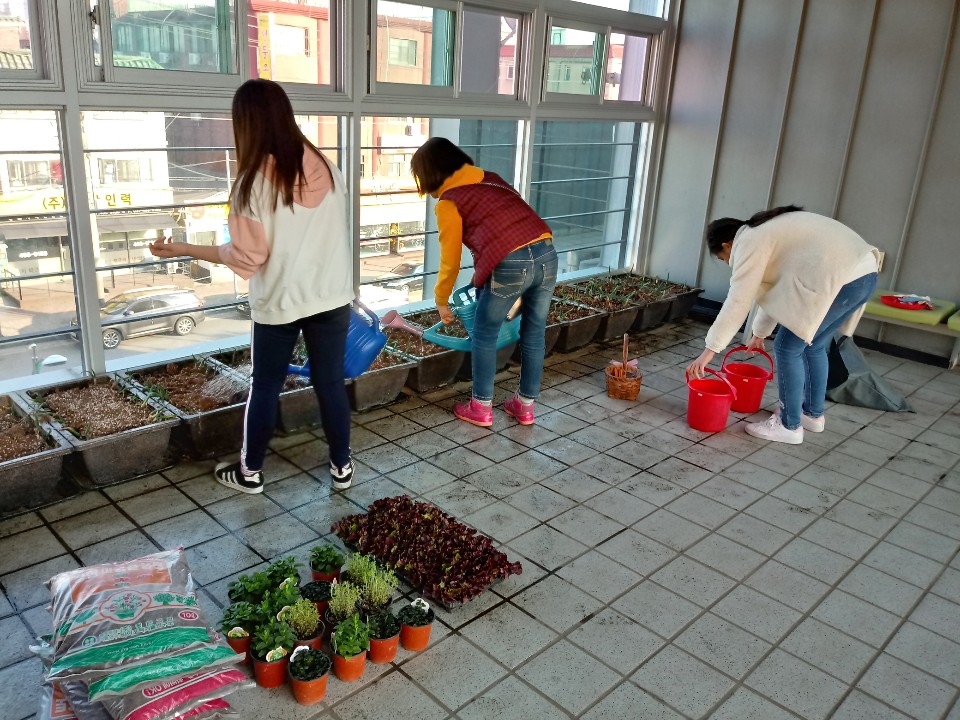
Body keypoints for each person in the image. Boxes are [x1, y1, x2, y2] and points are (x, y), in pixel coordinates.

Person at [149, 79, 355, 493]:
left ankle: (251, 473)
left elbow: (247, 257)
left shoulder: (250, 185)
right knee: (330, 383)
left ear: (244, 124)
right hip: (333, 297)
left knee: (266, 385)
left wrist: (181, 249)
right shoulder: (328, 168)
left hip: (281, 302)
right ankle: (342, 469)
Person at [687, 205, 880, 444]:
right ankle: (812, 415)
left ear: (727, 245)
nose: (728, 264)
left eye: (723, 258)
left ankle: (789, 426)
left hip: (844, 279)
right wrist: (759, 333)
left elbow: (739, 299)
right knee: (815, 345)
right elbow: (779, 292)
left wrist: (709, 352)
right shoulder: (767, 232)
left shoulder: (749, 240)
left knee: (787, 347)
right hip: (865, 275)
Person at [410, 137, 558, 427]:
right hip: (547, 253)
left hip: (510, 263)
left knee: (484, 334)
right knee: (534, 332)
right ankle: (525, 406)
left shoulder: (449, 203)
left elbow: (450, 260)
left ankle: (481, 407)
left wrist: (441, 300)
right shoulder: (492, 179)